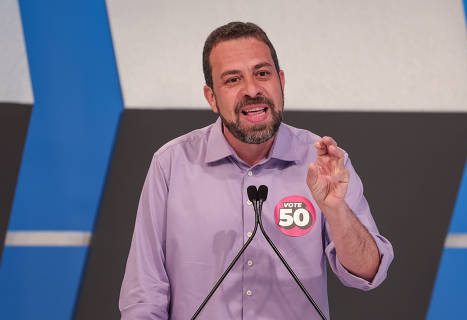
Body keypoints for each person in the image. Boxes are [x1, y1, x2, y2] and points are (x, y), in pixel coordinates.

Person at [119, 22, 393, 320]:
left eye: (262, 74)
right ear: (211, 97)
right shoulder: (171, 164)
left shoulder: (322, 161)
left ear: (281, 81)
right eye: (233, 80)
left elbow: (369, 273)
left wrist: (336, 209)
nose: (252, 90)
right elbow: (144, 294)